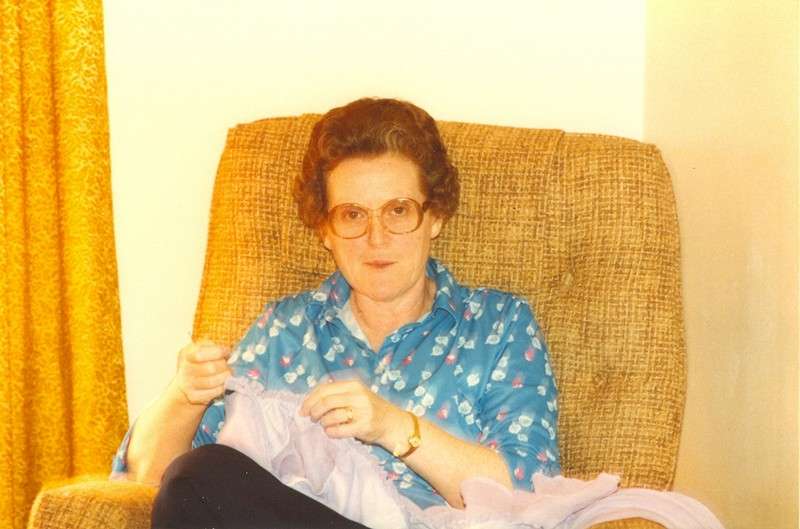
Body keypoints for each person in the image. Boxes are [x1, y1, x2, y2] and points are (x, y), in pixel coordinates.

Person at [111, 97, 560, 529]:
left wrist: (392, 426)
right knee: (199, 475)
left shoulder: (498, 325)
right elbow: (156, 480)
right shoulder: (286, 331)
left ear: (435, 216)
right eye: (352, 215)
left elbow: (528, 495)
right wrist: (185, 396)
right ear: (325, 229)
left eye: (398, 210)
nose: (376, 238)